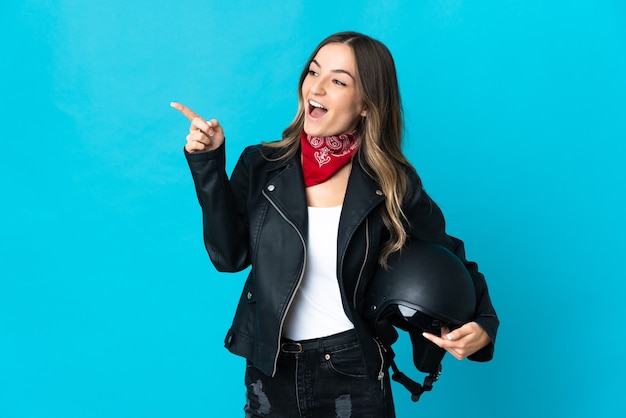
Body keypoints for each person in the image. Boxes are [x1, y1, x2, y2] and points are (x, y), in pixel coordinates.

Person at [171, 31, 499, 417]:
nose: (317, 87)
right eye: (313, 72)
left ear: (365, 104)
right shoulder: (261, 165)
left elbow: (451, 257)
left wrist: (483, 325)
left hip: (352, 367)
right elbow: (229, 256)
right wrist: (208, 164)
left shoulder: (392, 184)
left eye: (339, 81)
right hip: (269, 368)